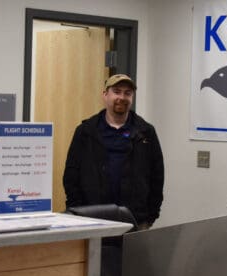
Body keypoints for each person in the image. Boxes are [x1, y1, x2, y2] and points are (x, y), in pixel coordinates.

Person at [63, 74, 164, 230]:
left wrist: (151, 215)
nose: (122, 97)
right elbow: (71, 174)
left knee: (133, 256)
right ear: (105, 95)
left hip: (135, 220)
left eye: (127, 93)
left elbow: (157, 176)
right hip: (92, 218)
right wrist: (77, 210)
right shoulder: (86, 131)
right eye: (117, 91)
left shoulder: (146, 132)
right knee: (96, 255)